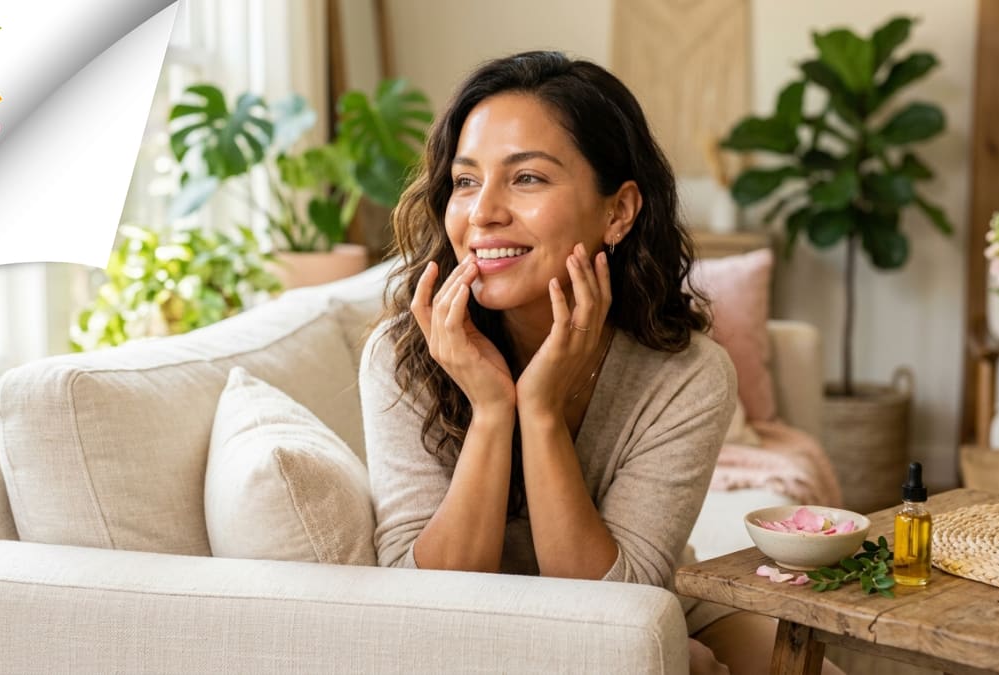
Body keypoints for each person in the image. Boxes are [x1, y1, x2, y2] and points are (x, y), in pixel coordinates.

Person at [359, 50, 843, 675]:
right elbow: (420, 601)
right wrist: (490, 409)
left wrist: (538, 411)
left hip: (632, 604)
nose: (483, 213)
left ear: (617, 212)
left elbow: (621, 606)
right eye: (466, 180)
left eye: (527, 178)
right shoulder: (404, 355)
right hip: (471, 636)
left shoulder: (687, 374)